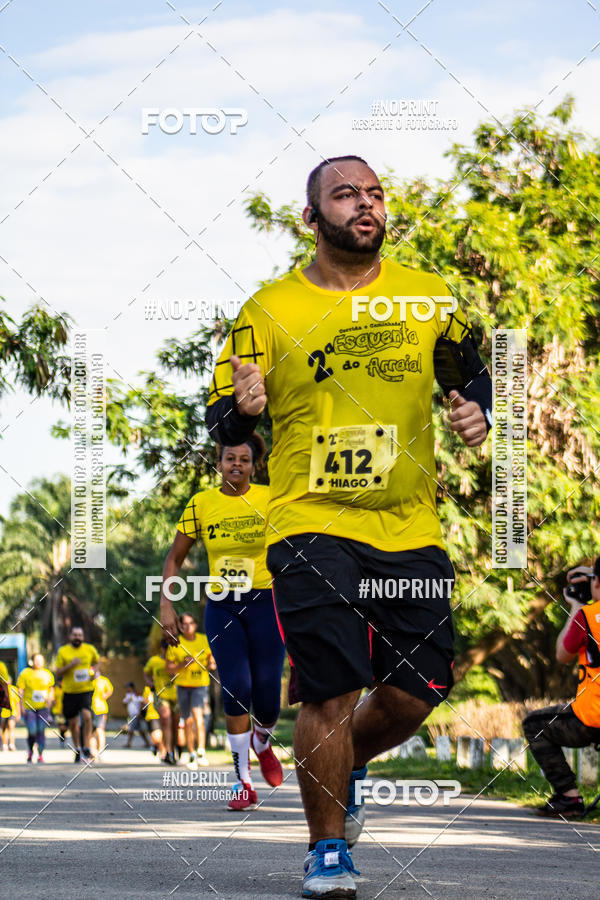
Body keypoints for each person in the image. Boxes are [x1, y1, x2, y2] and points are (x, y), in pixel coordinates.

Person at [206, 155, 492, 896]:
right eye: (345, 195)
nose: (365, 205)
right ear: (311, 218)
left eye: (374, 194)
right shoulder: (267, 310)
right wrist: (242, 417)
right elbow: (225, 423)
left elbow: (478, 367)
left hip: (409, 524)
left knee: (416, 692)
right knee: (329, 688)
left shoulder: (429, 296)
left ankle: (344, 763)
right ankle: (327, 849)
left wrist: (478, 406)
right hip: (309, 521)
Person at [160, 436, 286, 809]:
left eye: (244, 460)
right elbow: (174, 559)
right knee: (236, 686)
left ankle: (262, 742)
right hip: (223, 605)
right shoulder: (202, 503)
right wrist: (166, 605)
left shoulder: (271, 497)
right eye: (229, 458)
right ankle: (242, 782)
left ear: (253, 466)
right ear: (219, 463)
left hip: (266, 602)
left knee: (267, 697)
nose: (236, 464)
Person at [523, 560, 600, 817]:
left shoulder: (588, 616)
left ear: (596, 583)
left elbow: (562, 654)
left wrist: (578, 606)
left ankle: (569, 798)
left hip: (592, 718)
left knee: (534, 724)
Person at [164, 614, 213, 769]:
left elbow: (211, 658)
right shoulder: (175, 643)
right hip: (183, 685)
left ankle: (201, 751)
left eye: (190, 623)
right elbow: (168, 668)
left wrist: (212, 663)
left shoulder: (204, 640)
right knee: (188, 720)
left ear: (196, 624)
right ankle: (191, 754)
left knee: (198, 715)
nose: (187, 626)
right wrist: (182, 665)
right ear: (179, 626)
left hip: (200, 684)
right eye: (184, 624)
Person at [55, 626, 100, 763]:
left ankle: (86, 745)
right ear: (70, 636)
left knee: (87, 716)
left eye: (80, 635)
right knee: (73, 723)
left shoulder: (89, 649)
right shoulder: (63, 651)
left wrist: (95, 673)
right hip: (69, 691)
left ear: (83, 637)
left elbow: (97, 662)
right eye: (75, 635)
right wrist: (71, 665)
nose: (77, 637)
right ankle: (78, 748)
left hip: (86, 689)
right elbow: (57, 672)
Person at [144, 640, 178, 764]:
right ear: (161, 648)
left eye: (169, 648)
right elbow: (146, 673)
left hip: (176, 696)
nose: (167, 650)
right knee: (166, 720)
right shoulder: (154, 661)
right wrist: (149, 682)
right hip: (160, 695)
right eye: (164, 647)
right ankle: (168, 752)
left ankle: (173, 750)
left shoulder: (177, 660)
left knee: (175, 725)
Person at [17, 653, 55, 764]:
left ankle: (40, 754)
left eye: (40, 660)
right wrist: (21, 707)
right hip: (29, 708)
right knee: (32, 730)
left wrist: (49, 702)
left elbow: (51, 690)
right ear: (32, 661)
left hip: (43, 708)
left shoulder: (47, 674)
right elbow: (20, 691)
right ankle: (30, 751)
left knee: (41, 731)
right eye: (36, 660)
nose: (38, 662)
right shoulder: (25, 673)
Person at [91, 670, 114, 760]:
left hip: (100, 708)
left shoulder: (103, 681)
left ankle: (100, 751)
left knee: (99, 730)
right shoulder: (90, 680)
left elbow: (110, 690)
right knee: (91, 732)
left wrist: (105, 695)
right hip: (90, 708)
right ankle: (92, 752)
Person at [123, 682, 150, 748]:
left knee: (131, 729)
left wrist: (140, 712)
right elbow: (124, 703)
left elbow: (143, 702)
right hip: (132, 714)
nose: (127, 688)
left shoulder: (137, 694)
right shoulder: (128, 695)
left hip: (136, 714)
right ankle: (147, 743)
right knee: (140, 730)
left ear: (131, 687)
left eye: (128, 687)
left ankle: (128, 743)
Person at [142, 684, 163, 757]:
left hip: (164, 714)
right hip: (152, 714)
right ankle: (156, 746)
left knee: (161, 735)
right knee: (155, 736)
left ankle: (164, 752)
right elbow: (144, 702)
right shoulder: (148, 688)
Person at [1, 681, 20, 751]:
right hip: (3, 712)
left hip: (13, 711)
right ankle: (4, 744)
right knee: (4, 729)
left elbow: (17, 702)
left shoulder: (14, 689)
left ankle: (11, 744)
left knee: (11, 727)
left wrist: (18, 713)